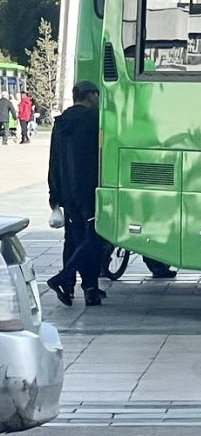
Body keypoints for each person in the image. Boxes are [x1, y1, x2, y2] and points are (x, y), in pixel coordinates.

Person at [45, 81, 106, 307]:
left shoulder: (60, 123)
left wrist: (54, 195)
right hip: (89, 189)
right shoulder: (93, 119)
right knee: (94, 238)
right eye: (97, 95)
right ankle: (81, 285)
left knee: (73, 239)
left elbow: (54, 160)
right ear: (90, 96)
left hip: (68, 192)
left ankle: (70, 285)